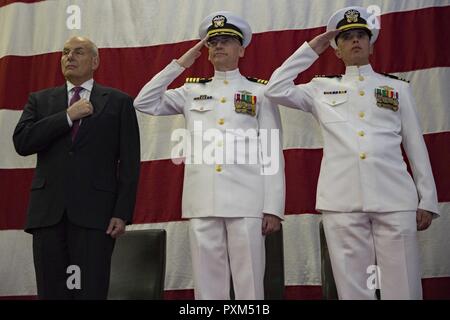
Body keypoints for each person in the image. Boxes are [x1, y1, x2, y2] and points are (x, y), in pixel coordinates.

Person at [265, 6, 439, 299]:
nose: (355, 41)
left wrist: (428, 198)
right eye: (346, 38)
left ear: (371, 46)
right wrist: (312, 48)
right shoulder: (319, 88)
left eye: (361, 36)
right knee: (353, 288)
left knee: (404, 286)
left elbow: (414, 144)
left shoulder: (396, 88)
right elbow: (275, 89)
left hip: (394, 196)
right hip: (341, 199)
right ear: (337, 50)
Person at [134, 11, 285, 299]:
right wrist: (180, 64)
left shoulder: (259, 92)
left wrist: (273, 207)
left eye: (226, 40)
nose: (218, 46)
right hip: (203, 200)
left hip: (247, 201)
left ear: (241, 49)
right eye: (213, 41)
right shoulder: (191, 90)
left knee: (250, 285)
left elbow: (271, 150)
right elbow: (144, 101)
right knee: (207, 287)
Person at [13, 36, 141, 299]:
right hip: (48, 214)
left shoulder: (118, 102)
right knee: (52, 292)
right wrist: (67, 116)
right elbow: (23, 142)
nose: (69, 57)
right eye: (65, 52)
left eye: (78, 52)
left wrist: (122, 212)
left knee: (90, 290)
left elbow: (129, 163)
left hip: (96, 216)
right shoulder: (40, 100)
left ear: (94, 61)